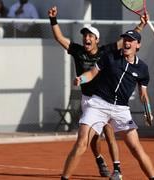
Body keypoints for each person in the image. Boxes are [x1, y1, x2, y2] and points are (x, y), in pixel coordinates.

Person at [48, 6, 148, 180]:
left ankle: (116, 169)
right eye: (84, 35)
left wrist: (141, 25)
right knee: (91, 140)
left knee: (109, 133)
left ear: (96, 40)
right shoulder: (77, 51)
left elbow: (127, 41)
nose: (86, 38)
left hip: (106, 98)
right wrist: (53, 19)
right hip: (89, 100)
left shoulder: (106, 52)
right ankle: (100, 160)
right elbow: (59, 38)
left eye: (90, 36)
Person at [72, 30, 154, 180]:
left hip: (120, 109)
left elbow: (143, 94)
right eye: (125, 39)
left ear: (138, 45)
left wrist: (148, 111)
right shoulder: (111, 56)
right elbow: (91, 74)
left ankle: (118, 170)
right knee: (88, 141)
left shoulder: (142, 68)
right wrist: (82, 79)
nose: (126, 42)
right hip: (97, 102)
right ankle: (103, 163)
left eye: (131, 40)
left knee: (133, 146)